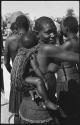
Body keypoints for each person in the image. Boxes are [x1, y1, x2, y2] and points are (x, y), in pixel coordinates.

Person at [18, 16, 79, 124]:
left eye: (55, 31)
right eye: (48, 32)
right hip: (41, 113)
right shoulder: (46, 48)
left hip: (26, 107)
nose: (53, 35)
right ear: (37, 33)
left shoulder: (28, 48)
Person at [4, 15, 30, 124]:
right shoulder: (32, 38)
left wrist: (13, 72)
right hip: (30, 77)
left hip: (16, 78)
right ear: (28, 25)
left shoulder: (9, 40)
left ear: (16, 25)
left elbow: (6, 63)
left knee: (16, 112)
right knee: (30, 110)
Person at [56, 16, 79, 98]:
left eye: (61, 27)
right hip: (76, 77)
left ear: (66, 28)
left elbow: (56, 58)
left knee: (66, 108)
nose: (60, 29)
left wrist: (58, 40)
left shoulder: (67, 44)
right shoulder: (77, 40)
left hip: (66, 83)